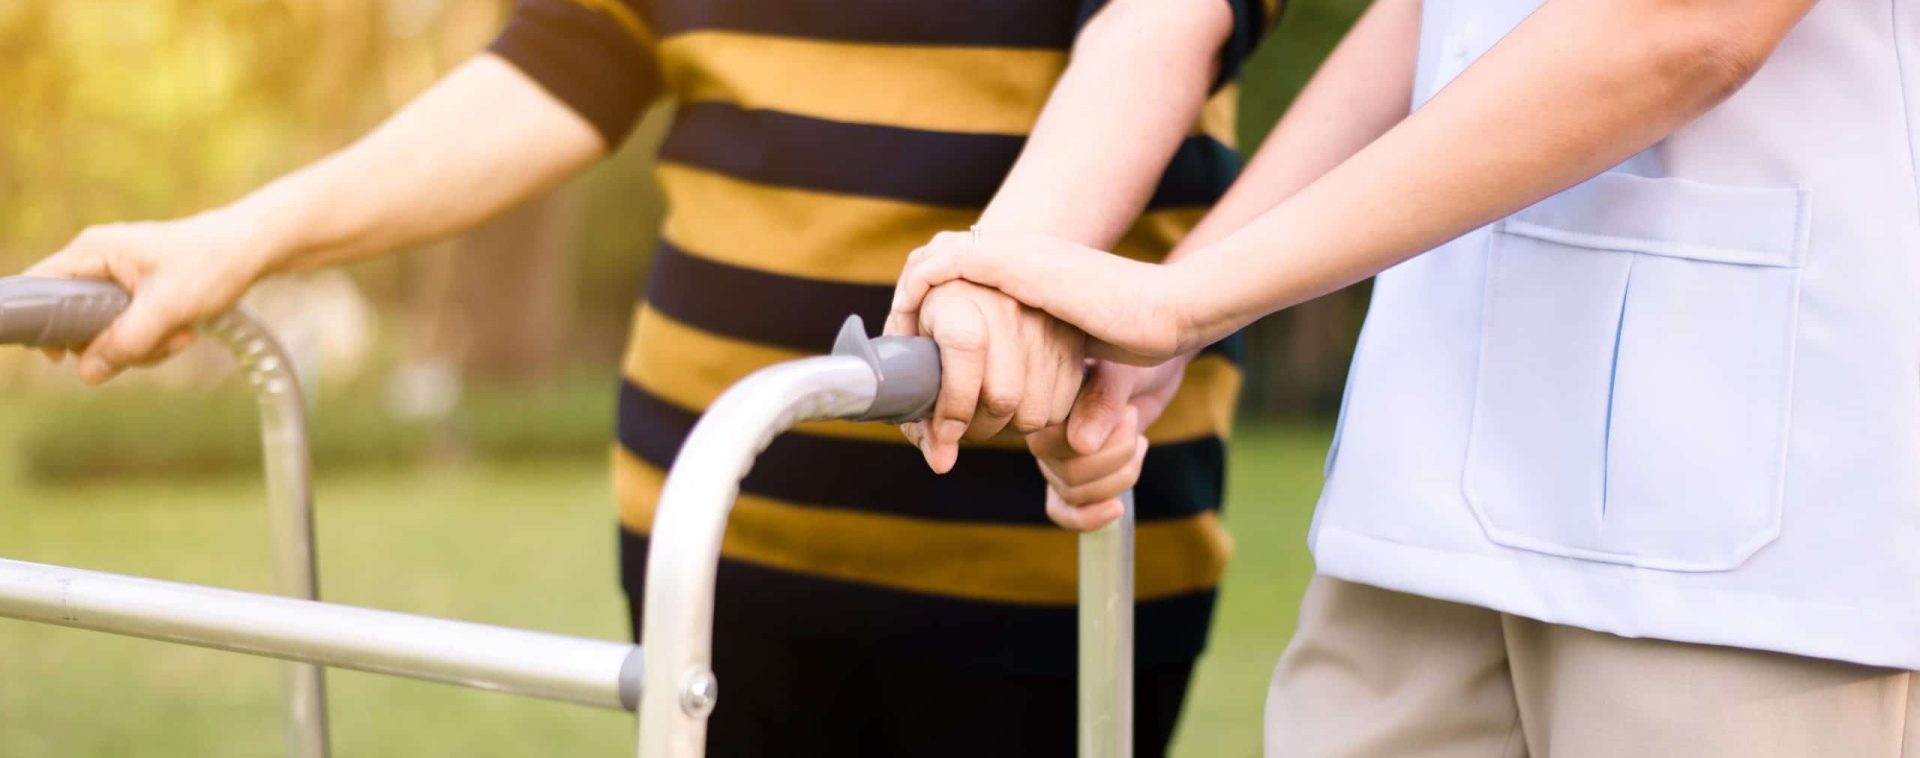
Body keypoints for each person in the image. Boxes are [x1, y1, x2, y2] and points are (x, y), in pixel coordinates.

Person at [23, 1, 1278, 755]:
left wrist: (996, 276)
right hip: (713, 529)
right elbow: (570, 59)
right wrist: (236, 238)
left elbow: (1159, 30)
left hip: (1039, 553)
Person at [891, 0, 1920, 754]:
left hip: (1740, 548)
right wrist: (1181, 305)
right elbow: (1430, 19)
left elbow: (1691, 21)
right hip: (1422, 505)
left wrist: (1187, 302)